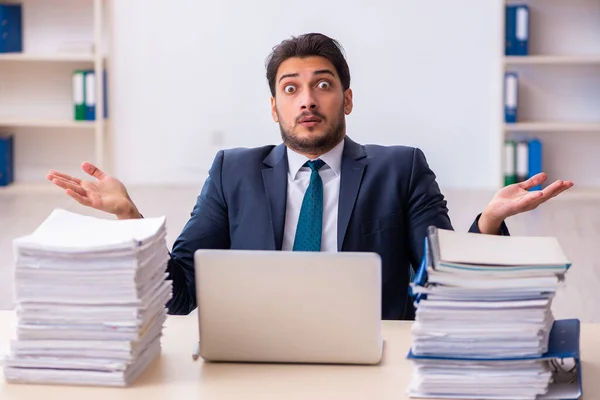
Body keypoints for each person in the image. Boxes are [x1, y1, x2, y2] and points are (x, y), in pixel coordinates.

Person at [46, 33, 573, 320]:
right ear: (274, 108)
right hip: (257, 352)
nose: (307, 100)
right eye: (291, 88)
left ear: (346, 99)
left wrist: (487, 222)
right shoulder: (234, 170)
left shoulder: (401, 166)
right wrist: (128, 216)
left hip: (375, 351)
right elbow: (180, 292)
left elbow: (438, 281)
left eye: (322, 85)